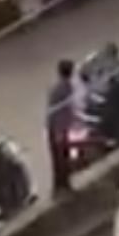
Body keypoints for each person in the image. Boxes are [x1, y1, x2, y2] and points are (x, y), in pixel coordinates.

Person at [46, 59, 77, 193]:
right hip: (58, 129)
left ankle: (62, 185)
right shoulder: (64, 88)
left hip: (57, 127)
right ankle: (61, 186)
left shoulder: (59, 87)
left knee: (61, 158)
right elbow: (59, 111)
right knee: (61, 158)